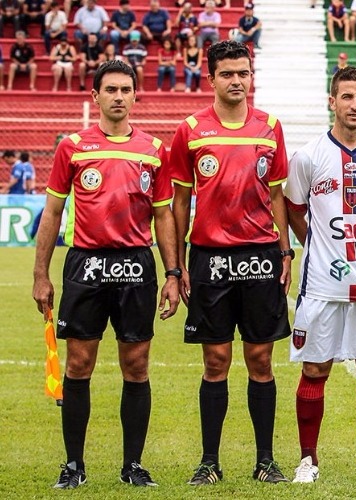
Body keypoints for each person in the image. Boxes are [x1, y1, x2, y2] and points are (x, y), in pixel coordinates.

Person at [32, 59, 180, 490]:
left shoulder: (154, 148)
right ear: (95, 96)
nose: (118, 96)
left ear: (136, 96)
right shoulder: (72, 146)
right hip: (86, 263)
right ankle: (73, 465)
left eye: (125, 89)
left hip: (136, 264)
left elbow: (164, 215)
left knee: (136, 365)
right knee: (79, 364)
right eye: (110, 89)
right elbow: (53, 212)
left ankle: (132, 465)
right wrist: (41, 274)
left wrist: (172, 273)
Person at [167, 40, 292, 486]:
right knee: (216, 361)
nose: (237, 81)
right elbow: (180, 200)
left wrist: (285, 251)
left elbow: (277, 194)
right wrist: (178, 265)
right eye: (228, 74)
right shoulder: (190, 129)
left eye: (244, 73)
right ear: (212, 78)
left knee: (261, 360)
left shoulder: (270, 126)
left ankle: (265, 461)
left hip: (260, 255)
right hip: (209, 258)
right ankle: (209, 461)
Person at [284, 66, 356, 485]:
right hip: (320, 283)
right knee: (315, 370)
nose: (355, 105)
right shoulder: (309, 156)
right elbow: (294, 209)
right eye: (347, 97)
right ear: (332, 101)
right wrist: (318, 244)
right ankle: (307, 461)